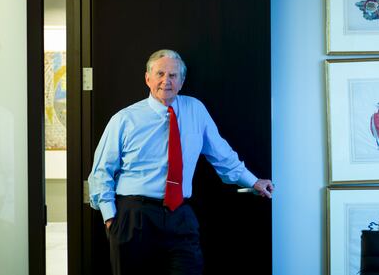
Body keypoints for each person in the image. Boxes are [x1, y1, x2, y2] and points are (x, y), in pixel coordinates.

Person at [88, 49, 274, 275]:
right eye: (160, 74)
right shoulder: (124, 119)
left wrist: (253, 181)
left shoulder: (195, 109)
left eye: (173, 75)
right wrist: (111, 220)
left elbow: (221, 154)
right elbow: (101, 172)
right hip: (135, 217)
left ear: (182, 81)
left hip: (180, 215)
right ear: (148, 78)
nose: (166, 81)